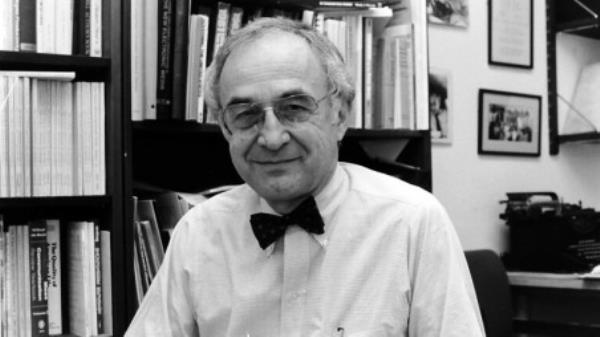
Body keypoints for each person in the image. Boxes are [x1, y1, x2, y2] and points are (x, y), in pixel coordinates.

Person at [125, 17, 484, 337]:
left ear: (340, 115)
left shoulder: (413, 222)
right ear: (225, 129)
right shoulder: (198, 232)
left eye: (294, 108)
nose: (272, 137)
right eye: (245, 114)